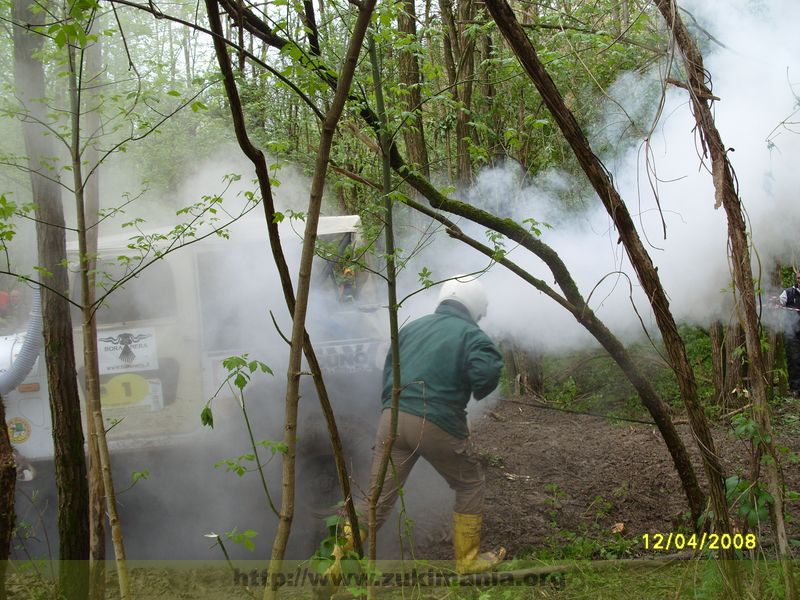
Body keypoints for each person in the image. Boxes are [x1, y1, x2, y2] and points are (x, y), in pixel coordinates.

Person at [350, 275, 506, 573]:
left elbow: (388, 370)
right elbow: (485, 374)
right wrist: (470, 385)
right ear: (473, 306)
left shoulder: (412, 327)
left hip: (391, 420)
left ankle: (334, 564)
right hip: (433, 422)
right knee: (469, 483)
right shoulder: (472, 335)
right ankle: (468, 561)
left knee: (375, 500)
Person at [779, 271, 800, 396]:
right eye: (798, 277)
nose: (799, 279)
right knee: (794, 360)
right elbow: (777, 303)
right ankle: (795, 389)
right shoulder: (788, 293)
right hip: (792, 332)